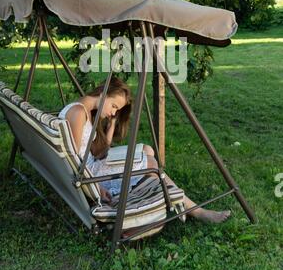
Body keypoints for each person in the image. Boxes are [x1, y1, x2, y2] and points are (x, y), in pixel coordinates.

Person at [59, 76, 231, 224]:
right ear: (104, 94)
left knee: (148, 150)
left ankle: (165, 193)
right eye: (114, 106)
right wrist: (95, 186)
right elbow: (73, 162)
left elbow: (96, 150)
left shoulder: (83, 109)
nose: (113, 113)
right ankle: (196, 211)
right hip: (92, 175)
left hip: (94, 165)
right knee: (151, 165)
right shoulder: (78, 113)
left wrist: (111, 126)